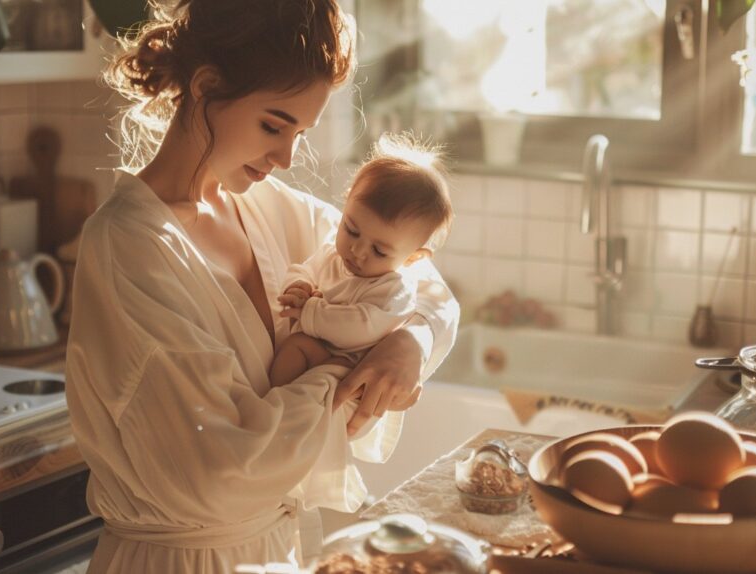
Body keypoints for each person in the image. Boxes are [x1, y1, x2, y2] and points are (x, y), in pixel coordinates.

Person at [65, 0, 460, 571]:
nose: (285, 156)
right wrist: (338, 370)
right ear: (205, 86)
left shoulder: (265, 207)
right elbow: (220, 470)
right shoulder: (129, 246)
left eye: (300, 132)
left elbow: (410, 273)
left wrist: (410, 341)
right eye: (274, 125)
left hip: (278, 552)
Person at [269, 134, 453, 390]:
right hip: (320, 347)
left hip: (351, 363)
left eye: (379, 250)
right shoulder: (332, 254)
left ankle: (283, 407)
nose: (357, 250)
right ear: (346, 203)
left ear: (412, 257)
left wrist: (310, 311)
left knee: (301, 356)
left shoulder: (395, 289)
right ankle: (276, 400)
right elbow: (305, 269)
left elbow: (362, 326)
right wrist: (298, 285)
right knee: (292, 350)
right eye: (351, 230)